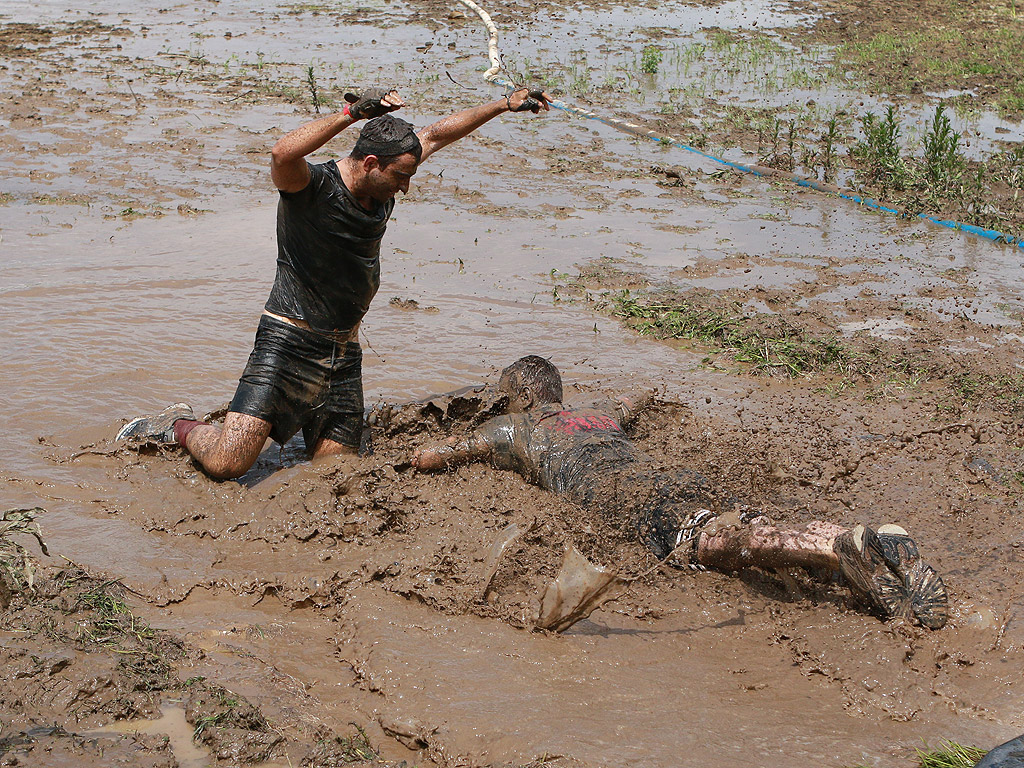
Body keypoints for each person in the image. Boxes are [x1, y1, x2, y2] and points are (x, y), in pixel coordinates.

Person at [116, 86, 552, 479]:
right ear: (369, 162)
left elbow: (436, 134)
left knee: (334, 472)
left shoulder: (392, 163)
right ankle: (175, 424)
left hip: (343, 353)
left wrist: (502, 104)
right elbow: (281, 154)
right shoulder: (312, 187)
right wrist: (349, 114)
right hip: (287, 343)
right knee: (229, 464)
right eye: (400, 177)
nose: (403, 189)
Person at [411, 356, 950, 629]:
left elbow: (432, 457)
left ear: (519, 397)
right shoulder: (599, 412)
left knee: (707, 543)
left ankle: (835, 548)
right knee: (732, 522)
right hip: (663, 477)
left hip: (620, 495)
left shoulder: (517, 429)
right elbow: (634, 406)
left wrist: (458, 421)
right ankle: (849, 544)